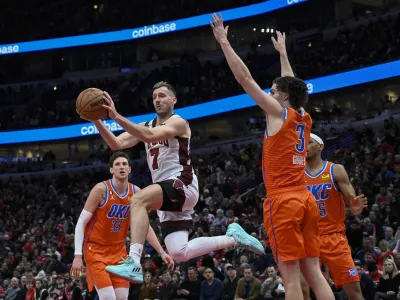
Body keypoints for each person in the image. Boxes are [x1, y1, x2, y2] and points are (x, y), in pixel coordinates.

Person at [80, 85, 264, 283]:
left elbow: (148, 136)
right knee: (178, 252)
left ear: (173, 100)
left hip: (181, 182)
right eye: (154, 96)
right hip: (166, 193)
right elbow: (116, 144)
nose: (157, 99)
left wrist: (116, 116)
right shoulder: (146, 124)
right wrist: (97, 120)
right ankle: (233, 238)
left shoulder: (179, 123)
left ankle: (133, 260)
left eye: (162, 96)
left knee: (138, 199)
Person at [210, 14, 334, 300]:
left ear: (284, 96)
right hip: (306, 199)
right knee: (314, 273)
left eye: (273, 91)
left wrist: (224, 43)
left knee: (290, 280)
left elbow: (244, 79)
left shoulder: (277, 113)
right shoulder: (305, 117)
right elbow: (292, 85)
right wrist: (283, 54)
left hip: (283, 201)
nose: (269, 93)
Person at [70, 152, 173, 300]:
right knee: (108, 298)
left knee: (122, 298)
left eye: (124, 164)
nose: (121, 167)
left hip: (119, 252)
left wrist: (162, 252)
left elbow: (144, 226)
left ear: (130, 169)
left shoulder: (136, 192)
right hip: (96, 250)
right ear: (111, 170)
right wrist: (78, 256)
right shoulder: (101, 190)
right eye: (117, 164)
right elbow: (81, 222)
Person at [301, 134, 367, 300]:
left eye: (309, 142)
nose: (304, 146)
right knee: (302, 290)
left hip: (333, 237)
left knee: (354, 292)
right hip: (307, 238)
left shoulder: (335, 169)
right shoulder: (296, 175)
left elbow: (351, 200)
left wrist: (355, 207)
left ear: (321, 146)